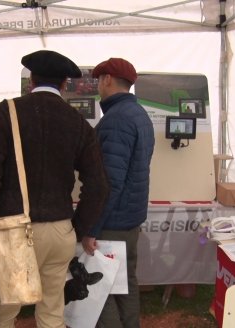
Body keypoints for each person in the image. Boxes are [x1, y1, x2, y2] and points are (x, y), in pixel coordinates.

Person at [0, 50, 109, 328]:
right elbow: (99, 186)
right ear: (65, 84)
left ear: (31, 79)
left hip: (16, 231)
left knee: (6, 313)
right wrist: (76, 229)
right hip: (60, 232)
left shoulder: (7, 112)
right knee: (52, 313)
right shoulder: (78, 122)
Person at [88, 58, 155, 328]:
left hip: (112, 223)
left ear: (107, 79)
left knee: (101, 290)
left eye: (98, 80)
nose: (98, 86)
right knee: (125, 284)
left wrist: (93, 226)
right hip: (130, 218)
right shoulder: (139, 114)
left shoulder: (116, 120)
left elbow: (111, 182)